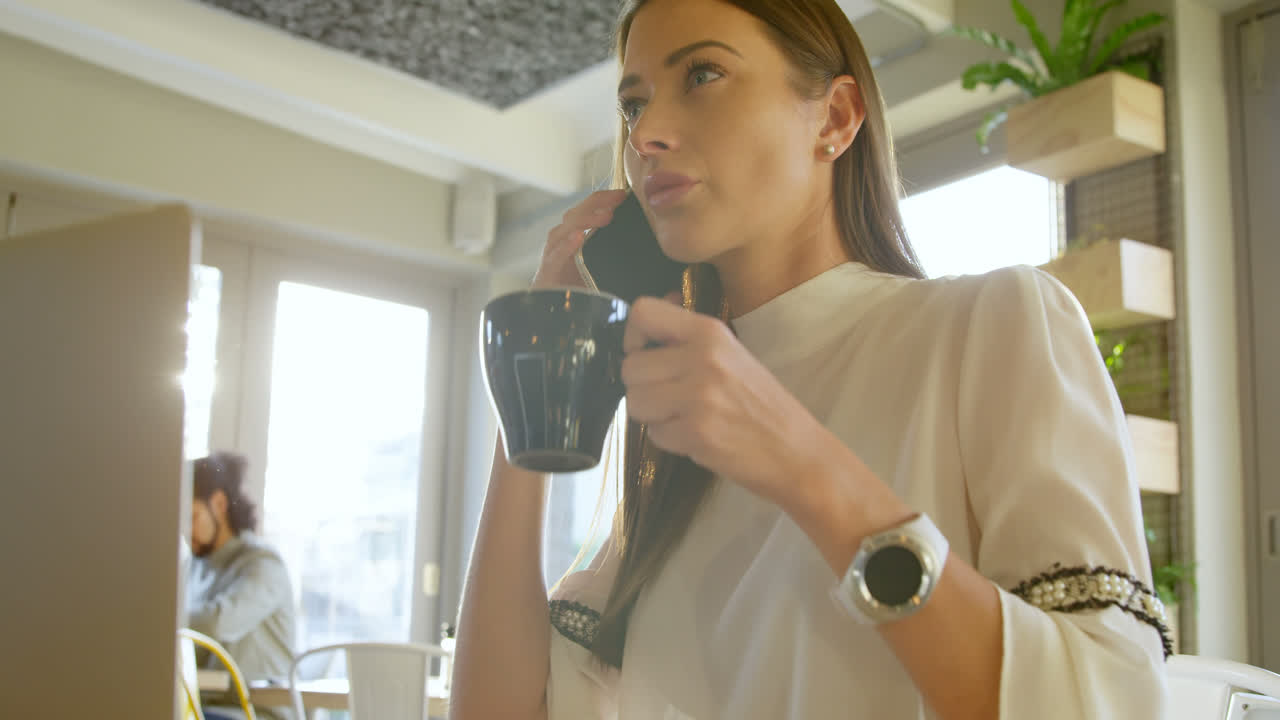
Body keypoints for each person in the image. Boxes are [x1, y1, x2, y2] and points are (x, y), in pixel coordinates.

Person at [450, 0, 1169, 718]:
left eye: (702, 75)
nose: (645, 135)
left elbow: (1112, 701)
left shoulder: (994, 325)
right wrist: (536, 395)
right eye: (633, 105)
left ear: (835, 118)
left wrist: (801, 464)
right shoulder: (674, 446)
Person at [187, 451, 296, 718]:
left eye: (192, 517)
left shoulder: (263, 564)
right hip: (208, 707)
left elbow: (218, 623)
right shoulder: (197, 569)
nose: (186, 532)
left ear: (219, 504)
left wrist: (158, 625)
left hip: (255, 713)